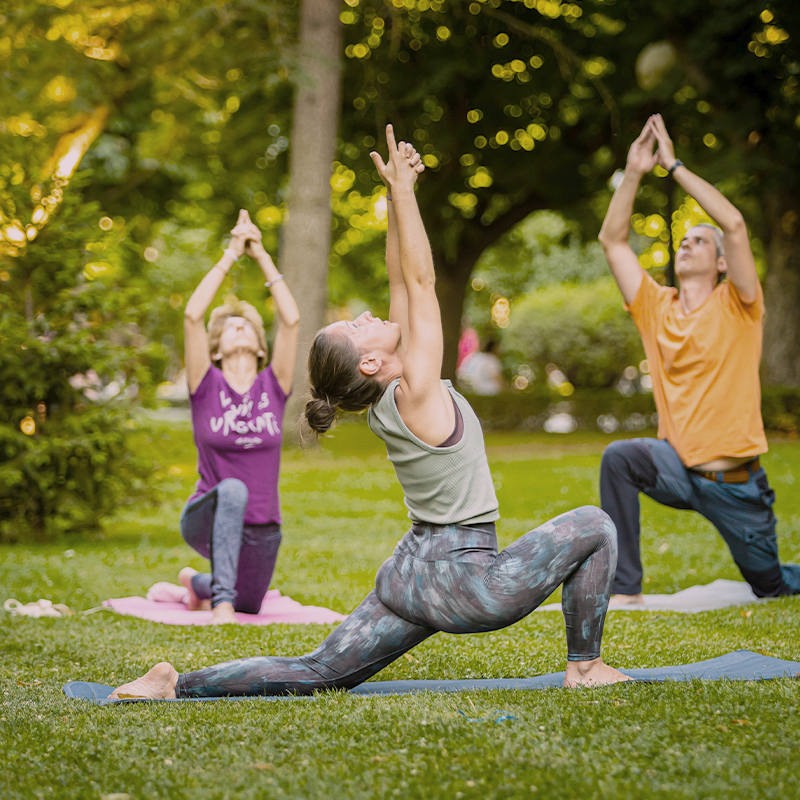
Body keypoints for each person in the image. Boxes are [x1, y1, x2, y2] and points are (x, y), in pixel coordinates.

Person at [110, 126, 628, 699]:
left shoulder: (389, 395)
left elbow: (400, 279)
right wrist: (405, 192)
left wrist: (390, 198)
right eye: (354, 330)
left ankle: (177, 685)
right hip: (465, 580)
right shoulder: (419, 392)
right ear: (371, 363)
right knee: (596, 525)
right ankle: (585, 666)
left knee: (322, 670)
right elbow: (422, 281)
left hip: (411, 570)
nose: (362, 316)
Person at [598, 114, 800, 604]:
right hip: (677, 469)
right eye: (684, 240)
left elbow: (732, 222)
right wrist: (634, 171)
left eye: (699, 241)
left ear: (723, 261)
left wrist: (674, 166)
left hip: (734, 484)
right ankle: (625, 589)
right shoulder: (654, 306)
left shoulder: (740, 303)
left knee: (770, 586)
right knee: (619, 458)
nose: (687, 244)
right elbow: (613, 240)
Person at [176, 210, 300, 624]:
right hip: (207, 513)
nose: (240, 328)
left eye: (247, 325)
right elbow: (193, 316)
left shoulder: (274, 385)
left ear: (261, 347)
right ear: (215, 349)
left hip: (263, 525)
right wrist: (232, 253)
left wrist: (262, 255)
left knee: (254, 603)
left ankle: (196, 584)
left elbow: (291, 319)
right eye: (230, 327)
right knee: (232, 489)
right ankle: (221, 604)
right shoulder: (204, 383)